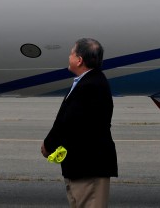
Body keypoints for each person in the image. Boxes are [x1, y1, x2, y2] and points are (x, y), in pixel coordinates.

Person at [40, 38, 118, 208]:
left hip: (89, 167)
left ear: (79, 60)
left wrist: (48, 145)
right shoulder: (88, 81)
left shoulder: (90, 85)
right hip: (82, 166)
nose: (69, 57)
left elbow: (69, 122)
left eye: (71, 53)